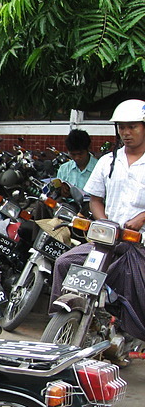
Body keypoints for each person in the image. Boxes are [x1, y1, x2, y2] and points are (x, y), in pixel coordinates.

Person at [49, 99, 145, 341]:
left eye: (132, 126)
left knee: (135, 286)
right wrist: (104, 222)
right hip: (108, 241)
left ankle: (126, 333)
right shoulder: (108, 161)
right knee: (64, 263)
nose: (126, 132)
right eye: (122, 127)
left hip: (139, 243)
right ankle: (61, 322)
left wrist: (142, 217)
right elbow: (95, 199)